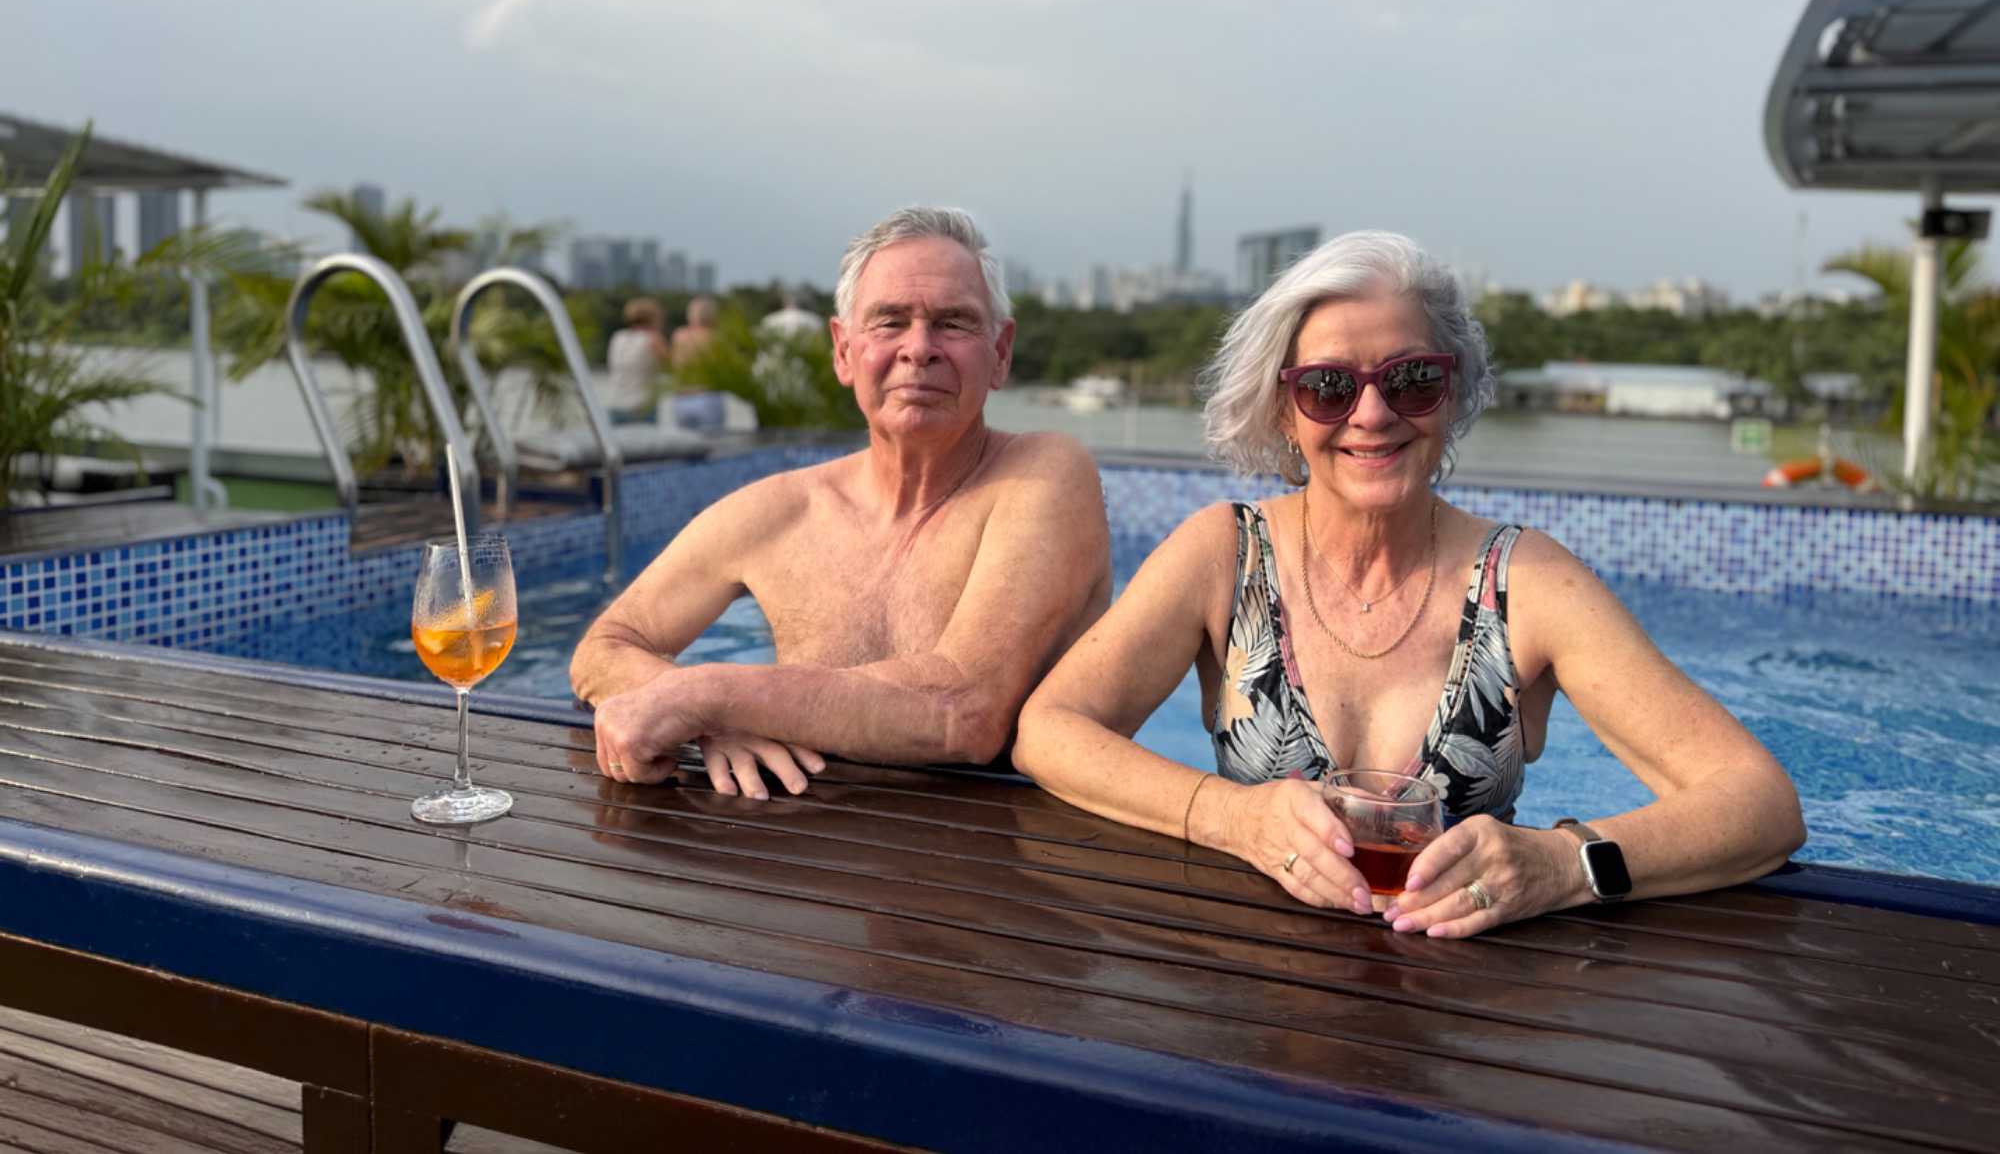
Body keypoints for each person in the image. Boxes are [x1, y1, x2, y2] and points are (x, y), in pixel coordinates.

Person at [1013, 231, 1803, 939]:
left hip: (1463, 1001)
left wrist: (1563, 863)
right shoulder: (1225, 554)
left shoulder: (1528, 583)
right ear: (1284, 409)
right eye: (1329, 386)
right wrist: (1231, 817)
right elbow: (1050, 729)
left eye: (1412, 379)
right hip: (1256, 982)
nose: (1371, 413)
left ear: (1451, 397)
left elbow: (1760, 802)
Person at [573, 205, 1112, 799]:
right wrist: (709, 723)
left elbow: (964, 711)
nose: (919, 348)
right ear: (843, 351)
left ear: (1001, 353)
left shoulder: (1045, 476)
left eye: (954, 323)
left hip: (1004, 846)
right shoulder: (781, 511)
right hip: (785, 836)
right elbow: (605, 647)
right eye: (889, 321)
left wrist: (708, 696)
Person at [603, 297, 670, 426]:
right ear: (653, 318)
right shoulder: (654, 339)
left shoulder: (618, 337)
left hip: (615, 403)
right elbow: (671, 366)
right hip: (641, 407)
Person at [668, 295, 726, 430]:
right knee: (714, 441)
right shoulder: (715, 336)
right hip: (707, 396)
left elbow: (674, 364)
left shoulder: (679, 335)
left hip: (682, 398)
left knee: (685, 442)